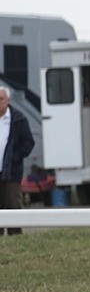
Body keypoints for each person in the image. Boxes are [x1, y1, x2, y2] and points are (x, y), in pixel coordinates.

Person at [0, 85, 36, 235]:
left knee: (13, 204)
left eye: (0, 99)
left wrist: (15, 157)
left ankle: (16, 237)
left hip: (11, 172)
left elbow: (28, 143)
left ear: (8, 100)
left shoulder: (18, 120)